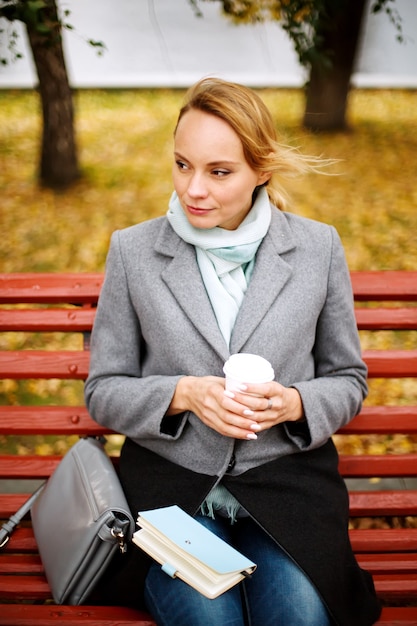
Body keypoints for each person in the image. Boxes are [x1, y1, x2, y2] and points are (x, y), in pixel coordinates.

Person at [84, 77, 381, 626]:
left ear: (261, 169)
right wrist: (182, 394)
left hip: (289, 486)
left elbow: (348, 378)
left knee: (299, 618)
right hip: (172, 494)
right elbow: (104, 390)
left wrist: (293, 403)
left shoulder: (317, 248)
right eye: (181, 164)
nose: (193, 188)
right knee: (208, 621)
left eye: (219, 172)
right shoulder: (134, 251)